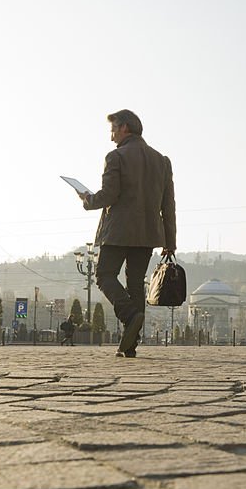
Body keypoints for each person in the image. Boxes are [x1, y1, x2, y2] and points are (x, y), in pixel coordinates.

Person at [78, 109, 176, 358]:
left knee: (104, 276)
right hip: (148, 234)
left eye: (113, 130)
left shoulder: (116, 157)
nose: (111, 136)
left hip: (118, 231)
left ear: (124, 128)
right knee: (135, 283)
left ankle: (130, 315)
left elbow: (109, 195)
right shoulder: (162, 161)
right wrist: (170, 242)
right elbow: (168, 205)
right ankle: (129, 344)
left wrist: (88, 199)